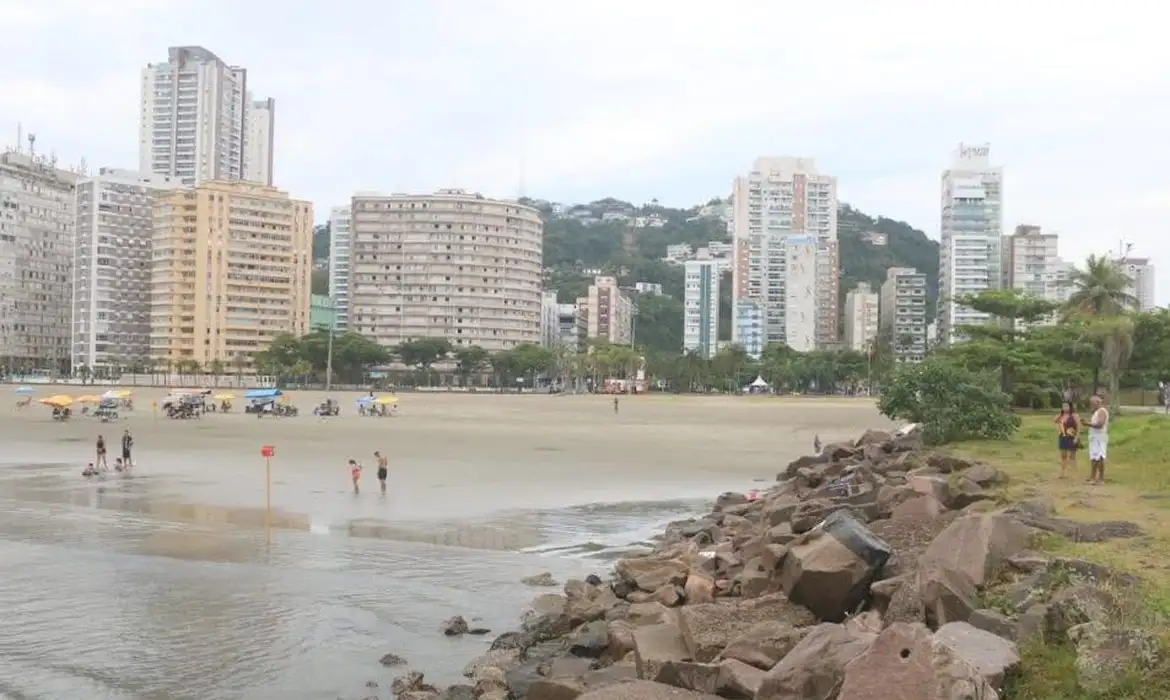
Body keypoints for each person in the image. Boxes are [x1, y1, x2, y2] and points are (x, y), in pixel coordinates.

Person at [1083, 394, 1110, 485]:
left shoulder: (1102, 411)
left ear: (1097, 402)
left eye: (1092, 403)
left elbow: (1100, 425)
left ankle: (1101, 478)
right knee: (1094, 457)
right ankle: (1093, 476)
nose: (1091, 405)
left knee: (1099, 457)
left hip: (1100, 437)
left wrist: (1088, 424)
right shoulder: (1096, 412)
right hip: (1094, 438)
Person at [1054, 401, 1080, 480]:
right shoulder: (1061, 416)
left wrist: (1077, 437)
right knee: (1063, 456)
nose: (1065, 408)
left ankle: (1074, 474)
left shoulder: (1074, 415)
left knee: (1072, 456)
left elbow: (1079, 427)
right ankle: (1062, 473)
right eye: (1063, 406)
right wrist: (1060, 414)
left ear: (1070, 407)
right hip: (1063, 436)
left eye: (1066, 406)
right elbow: (1055, 420)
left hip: (1072, 436)